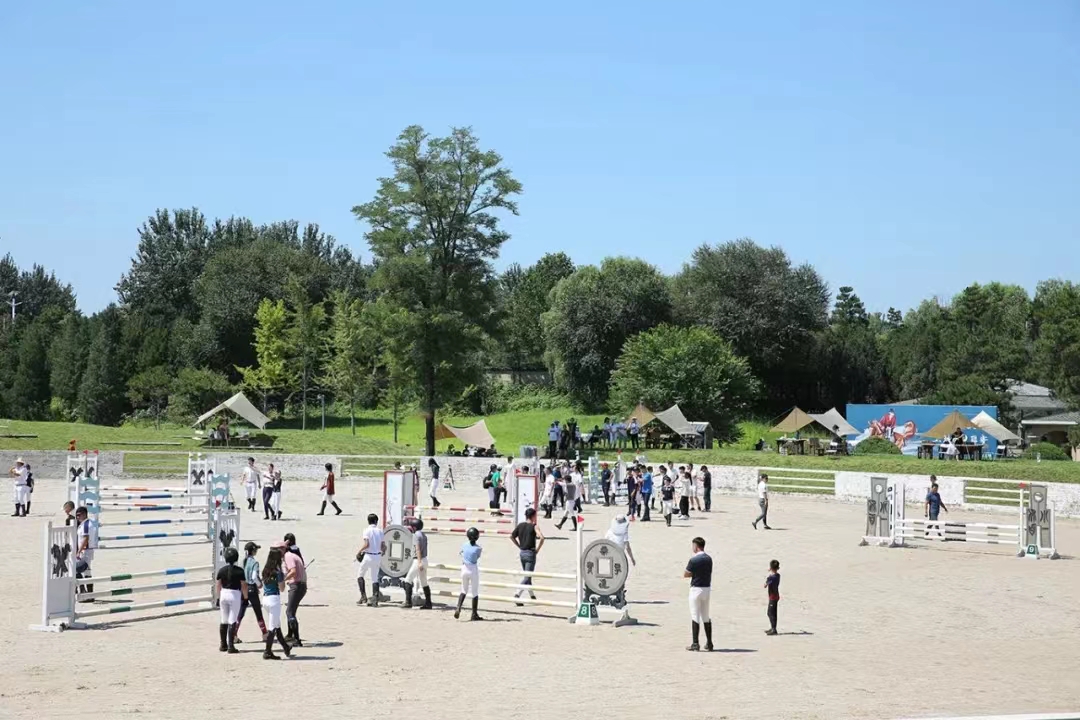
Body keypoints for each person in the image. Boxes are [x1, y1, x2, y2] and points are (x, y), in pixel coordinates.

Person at [261, 544, 292, 660]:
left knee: (277, 625)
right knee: (272, 627)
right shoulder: (278, 571)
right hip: (274, 599)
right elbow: (282, 588)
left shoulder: (265, 570)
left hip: (265, 599)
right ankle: (267, 651)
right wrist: (284, 578)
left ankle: (285, 647)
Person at [215, 546, 247, 654]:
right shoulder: (240, 571)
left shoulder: (221, 570)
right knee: (232, 620)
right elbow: (244, 586)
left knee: (223, 619)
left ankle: (223, 644)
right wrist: (246, 597)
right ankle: (231, 646)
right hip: (234, 594)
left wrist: (218, 597)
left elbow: (218, 585)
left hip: (224, 594)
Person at [684, 536, 714, 652]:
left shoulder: (694, 560)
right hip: (706, 588)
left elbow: (686, 574)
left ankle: (695, 643)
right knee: (706, 615)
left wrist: (694, 574)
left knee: (695, 615)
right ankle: (709, 643)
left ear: (696, 546)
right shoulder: (709, 559)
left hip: (696, 589)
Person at [510, 507, 545, 605]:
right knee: (527, 576)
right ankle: (517, 594)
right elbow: (542, 538)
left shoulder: (520, 525)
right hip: (530, 553)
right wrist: (537, 550)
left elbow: (511, 536)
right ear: (533, 516)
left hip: (522, 553)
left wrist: (519, 545)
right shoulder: (534, 526)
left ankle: (532, 596)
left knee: (528, 575)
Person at [236, 541, 268, 642]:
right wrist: (259, 584)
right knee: (258, 612)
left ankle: (234, 634)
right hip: (252, 588)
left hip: (243, 588)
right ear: (253, 551)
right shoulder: (254, 563)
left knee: (241, 612)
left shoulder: (242, 562)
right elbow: (254, 577)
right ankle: (265, 634)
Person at [282, 534, 307, 646]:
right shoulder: (295, 552)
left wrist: (283, 580)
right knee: (291, 611)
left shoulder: (288, 556)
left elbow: (293, 571)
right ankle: (290, 634)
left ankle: (297, 639)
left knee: (289, 612)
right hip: (300, 584)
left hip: (296, 585)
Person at [402, 517, 432, 609]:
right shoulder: (424, 535)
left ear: (414, 527)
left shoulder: (415, 535)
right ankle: (428, 603)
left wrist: (419, 562)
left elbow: (418, 549)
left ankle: (408, 602)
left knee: (408, 580)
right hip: (425, 559)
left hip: (418, 560)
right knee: (424, 582)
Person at [454, 527, 483, 621]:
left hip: (464, 569)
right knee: (474, 592)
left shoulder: (464, 545)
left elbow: (462, 553)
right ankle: (474, 614)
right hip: (473, 569)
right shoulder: (478, 548)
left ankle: (458, 607)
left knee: (463, 590)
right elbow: (476, 557)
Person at [356, 513, 385, 607]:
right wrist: (383, 552)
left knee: (360, 575)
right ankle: (375, 598)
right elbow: (383, 546)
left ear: (368, 521)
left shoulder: (366, 530)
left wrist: (359, 551)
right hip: (377, 556)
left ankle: (363, 596)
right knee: (374, 578)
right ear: (376, 521)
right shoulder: (380, 531)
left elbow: (366, 544)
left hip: (368, 556)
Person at [74, 506, 98, 601]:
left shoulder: (86, 525)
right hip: (87, 550)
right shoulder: (85, 524)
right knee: (87, 572)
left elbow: (86, 538)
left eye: (79, 515)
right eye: (76, 515)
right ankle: (90, 594)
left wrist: (79, 551)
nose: (77, 517)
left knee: (77, 570)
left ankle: (83, 592)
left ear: (84, 514)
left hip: (85, 551)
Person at [764, 559, 781, 636]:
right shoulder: (778, 576)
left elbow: (765, 585)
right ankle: (773, 628)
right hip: (775, 595)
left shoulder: (771, 578)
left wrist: (768, 578)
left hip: (773, 596)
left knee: (770, 613)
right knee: (773, 612)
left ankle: (774, 629)